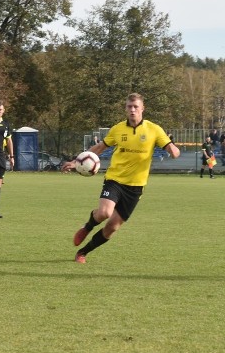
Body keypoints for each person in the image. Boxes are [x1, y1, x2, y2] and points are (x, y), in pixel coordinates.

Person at [64, 93, 180, 264]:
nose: (132, 110)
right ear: (126, 109)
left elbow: (171, 147)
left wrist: (173, 150)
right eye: (129, 107)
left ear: (142, 108)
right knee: (104, 212)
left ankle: (83, 252)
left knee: (112, 227)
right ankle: (87, 227)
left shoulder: (154, 130)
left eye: (135, 107)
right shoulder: (118, 129)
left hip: (135, 187)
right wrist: (76, 161)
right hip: (115, 180)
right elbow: (100, 147)